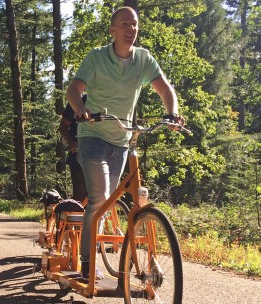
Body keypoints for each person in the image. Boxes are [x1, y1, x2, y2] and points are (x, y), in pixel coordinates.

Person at [65, 6, 186, 281]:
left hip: (121, 139)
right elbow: (74, 89)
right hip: (92, 136)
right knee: (99, 199)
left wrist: (171, 113)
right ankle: (87, 263)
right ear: (112, 30)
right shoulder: (96, 58)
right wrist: (79, 110)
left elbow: (165, 88)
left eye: (134, 25)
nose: (130, 29)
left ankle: (123, 246)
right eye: (124, 24)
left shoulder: (143, 59)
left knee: (113, 198)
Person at [58, 95, 88, 203]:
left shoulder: (109, 101)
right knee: (81, 198)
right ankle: (76, 218)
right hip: (78, 155)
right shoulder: (77, 101)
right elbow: (62, 127)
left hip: (103, 154)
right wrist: (71, 143)